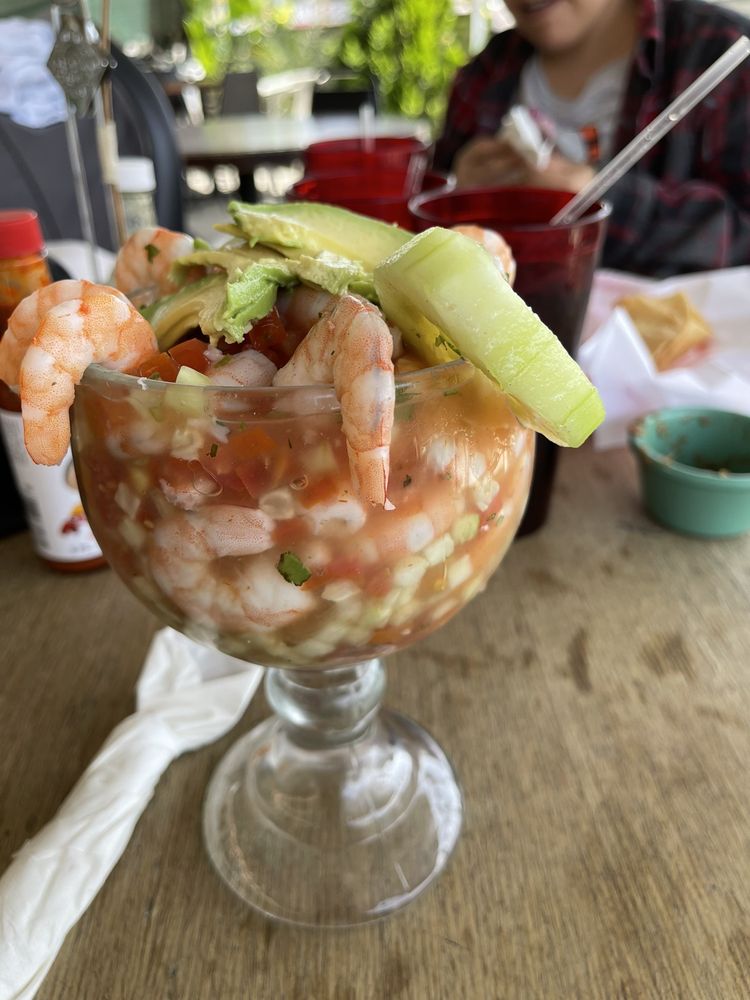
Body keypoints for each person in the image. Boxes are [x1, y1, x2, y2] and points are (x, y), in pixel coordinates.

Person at [432, 0, 750, 278]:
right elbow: (426, 225)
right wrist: (455, 193)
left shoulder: (719, 51)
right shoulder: (485, 72)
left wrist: (598, 197)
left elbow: (741, 237)